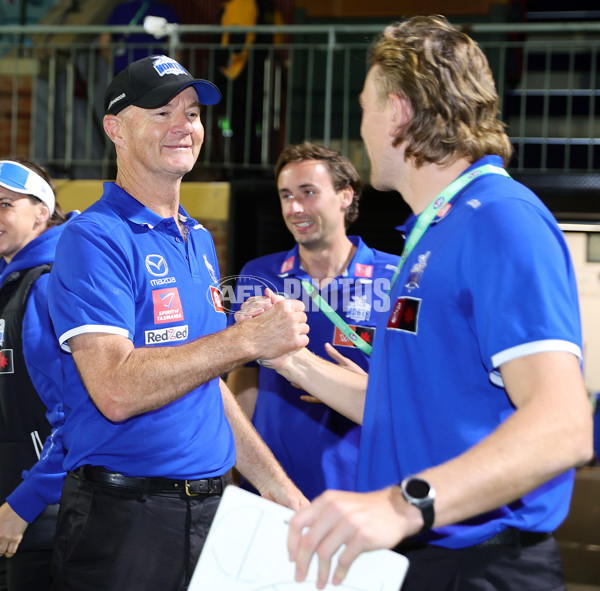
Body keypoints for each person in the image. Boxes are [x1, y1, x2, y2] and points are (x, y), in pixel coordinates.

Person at [242, 15, 594, 590]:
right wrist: (286, 358)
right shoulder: (432, 232)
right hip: (427, 556)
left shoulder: (500, 219)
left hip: (482, 562)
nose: (361, 129)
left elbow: (563, 426)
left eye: (364, 109)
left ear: (399, 112)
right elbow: (407, 406)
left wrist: (403, 505)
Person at [46, 54, 309, 591]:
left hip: (211, 515)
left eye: (191, 112)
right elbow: (116, 389)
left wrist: (281, 492)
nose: (184, 125)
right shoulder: (94, 237)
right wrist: (242, 341)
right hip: (125, 520)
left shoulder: (199, 238)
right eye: (162, 111)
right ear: (115, 129)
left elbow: (203, 386)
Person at [226, 141, 400, 500]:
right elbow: (244, 374)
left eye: (308, 193)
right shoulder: (259, 276)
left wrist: (365, 388)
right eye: (286, 195)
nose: (295, 207)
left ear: (346, 196)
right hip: (273, 491)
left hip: (364, 494)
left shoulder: (395, 277)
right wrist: (233, 466)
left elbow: (417, 385)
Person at [0, 159, 75, 590]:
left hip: (39, 513)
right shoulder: (13, 280)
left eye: (5, 203)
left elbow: (78, 411)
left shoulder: (47, 285)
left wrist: (25, 503)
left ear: (41, 212)